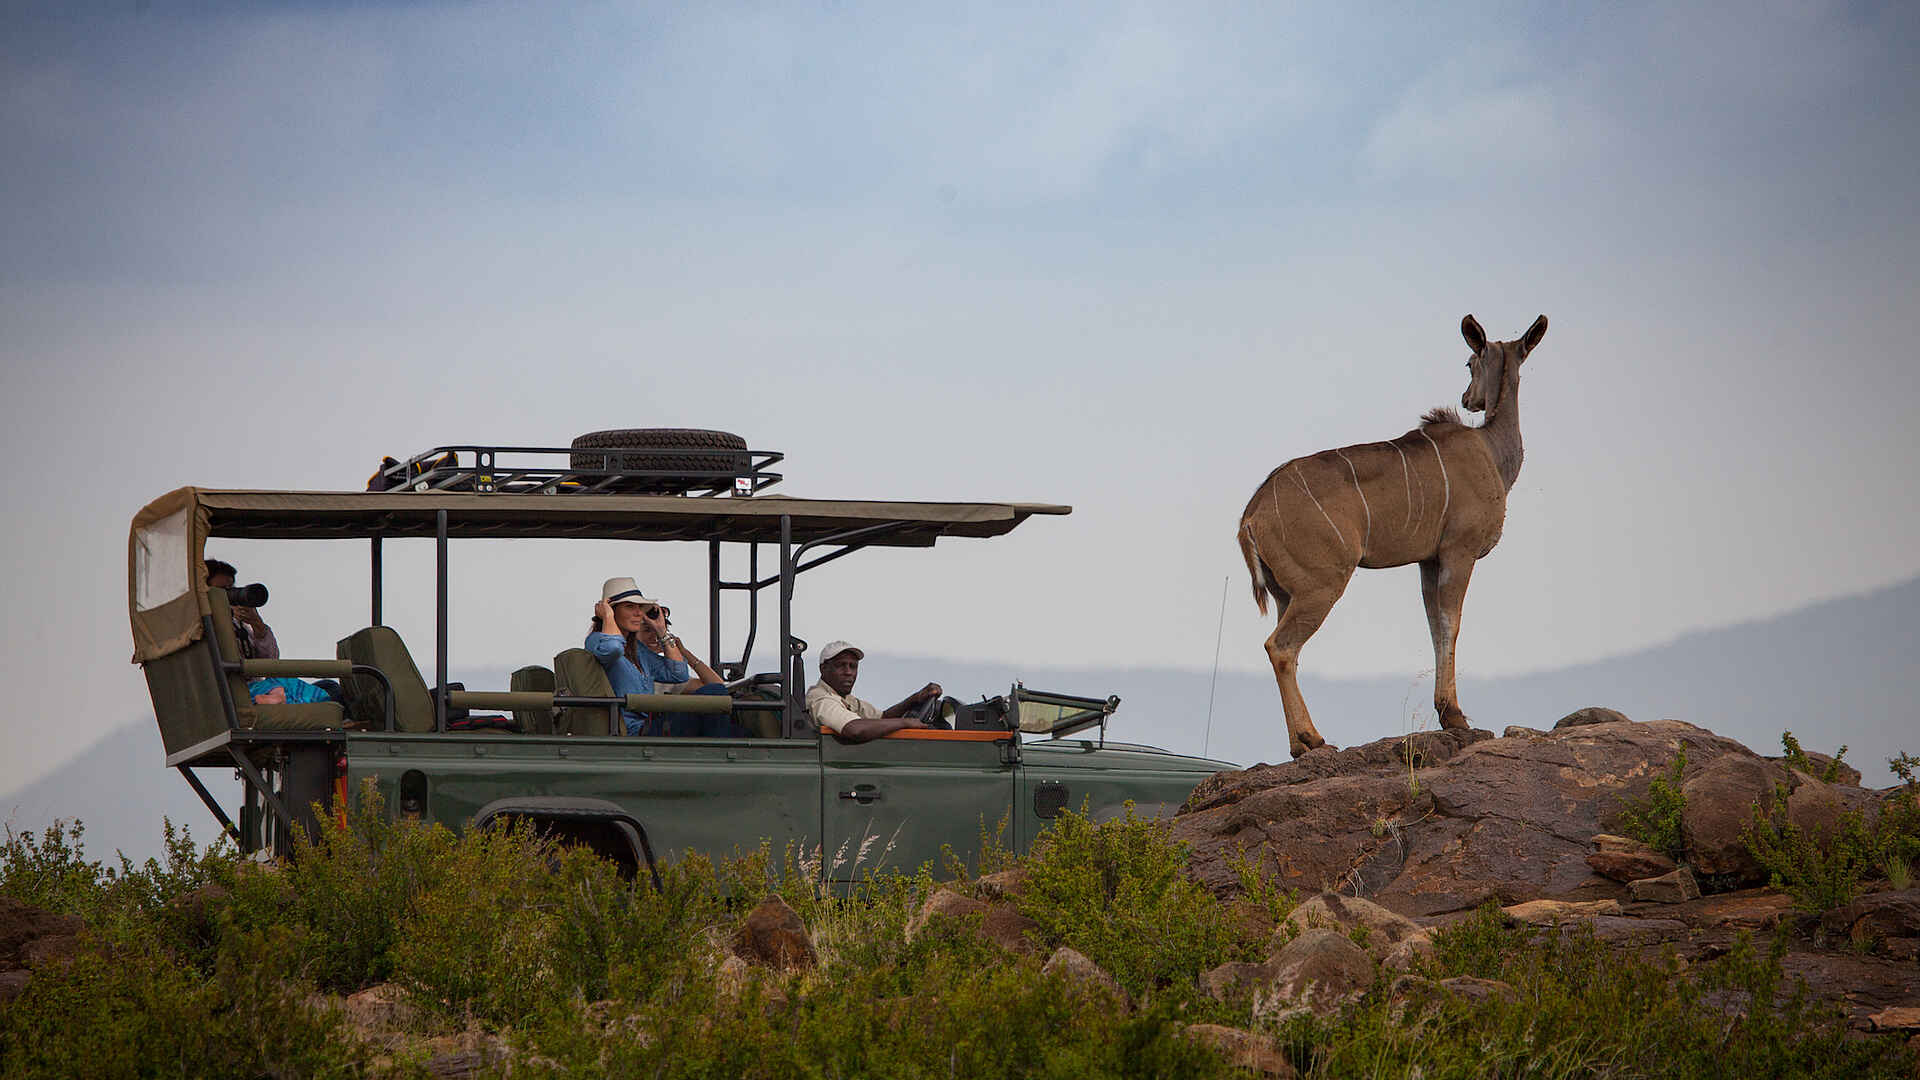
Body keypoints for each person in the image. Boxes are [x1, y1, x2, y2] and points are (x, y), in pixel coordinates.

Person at [587, 577, 735, 736]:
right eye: (630, 607)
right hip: (634, 732)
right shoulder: (597, 640)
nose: (638, 613)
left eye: (640, 607)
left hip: (651, 726)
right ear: (611, 609)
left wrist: (661, 631)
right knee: (714, 693)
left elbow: (679, 674)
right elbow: (613, 649)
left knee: (726, 709)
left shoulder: (638, 651)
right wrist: (608, 617)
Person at [205, 558, 334, 705]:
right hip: (234, 692)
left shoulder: (239, 624)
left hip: (260, 686)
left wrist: (257, 624)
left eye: (231, 588)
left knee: (329, 686)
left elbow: (271, 663)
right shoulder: (202, 627)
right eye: (222, 590)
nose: (230, 595)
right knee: (295, 688)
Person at [804, 641, 942, 743]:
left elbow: (882, 718)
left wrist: (915, 698)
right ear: (823, 669)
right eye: (841, 665)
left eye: (853, 666)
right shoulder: (822, 700)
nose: (848, 672)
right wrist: (906, 723)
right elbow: (855, 729)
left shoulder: (844, 698)